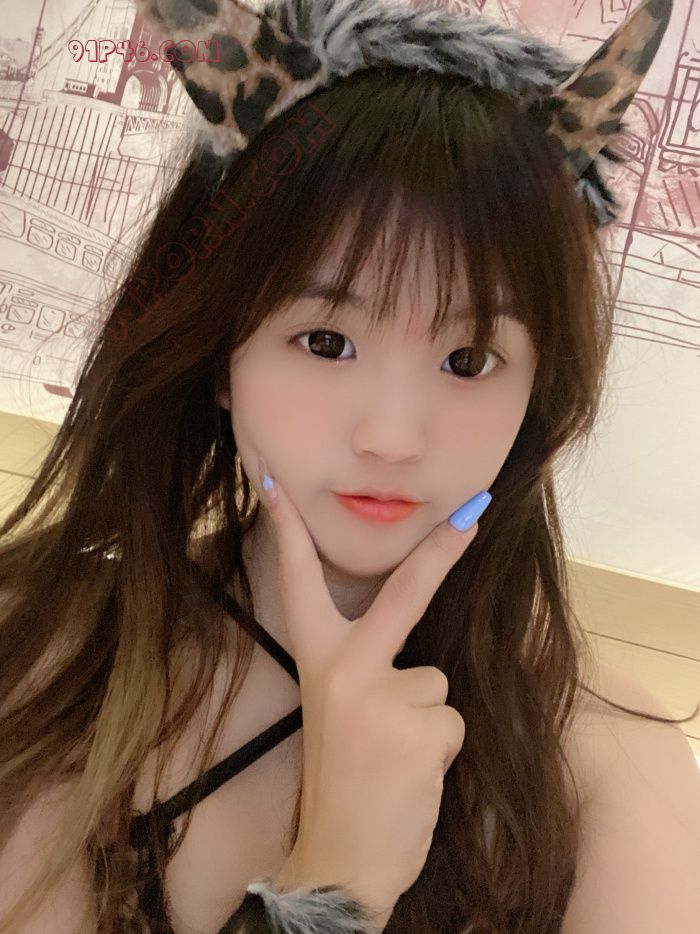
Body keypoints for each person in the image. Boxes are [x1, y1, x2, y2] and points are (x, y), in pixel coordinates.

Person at [1, 0, 698, 932]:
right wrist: (334, 887)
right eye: (326, 342)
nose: (393, 439)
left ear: (538, 392)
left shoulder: (608, 761)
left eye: (468, 359)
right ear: (222, 357)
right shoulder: (41, 656)